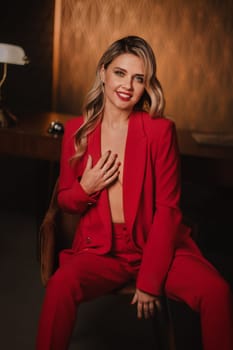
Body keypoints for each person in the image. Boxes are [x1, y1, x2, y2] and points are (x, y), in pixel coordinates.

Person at [36, 35, 233, 350]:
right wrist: (86, 188)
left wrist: (150, 279)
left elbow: (169, 210)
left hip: (153, 245)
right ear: (103, 72)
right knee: (60, 287)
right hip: (100, 250)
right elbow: (65, 202)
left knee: (217, 292)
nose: (127, 84)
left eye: (138, 78)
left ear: (147, 85)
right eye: (119, 73)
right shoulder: (76, 131)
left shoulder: (159, 131)